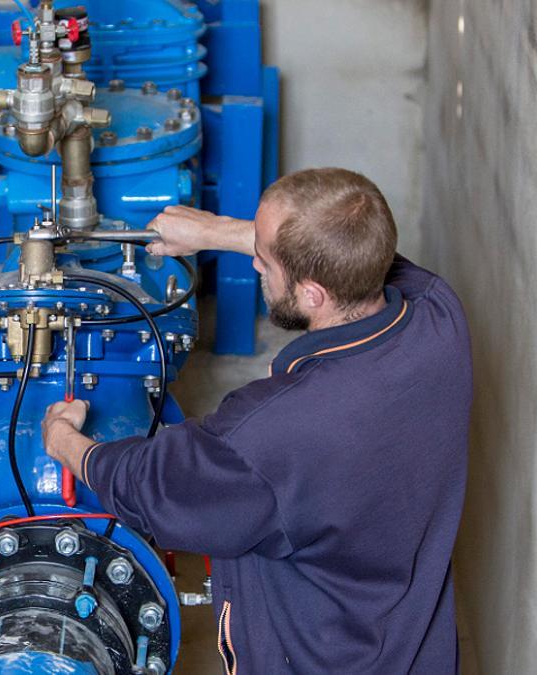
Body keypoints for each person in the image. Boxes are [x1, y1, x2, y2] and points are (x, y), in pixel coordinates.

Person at [43, 168, 470, 674]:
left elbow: (155, 488)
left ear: (313, 294)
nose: (256, 266)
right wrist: (214, 231)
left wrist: (65, 441)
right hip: (418, 646)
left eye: (264, 262)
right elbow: (359, 252)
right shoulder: (439, 319)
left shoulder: (275, 432)